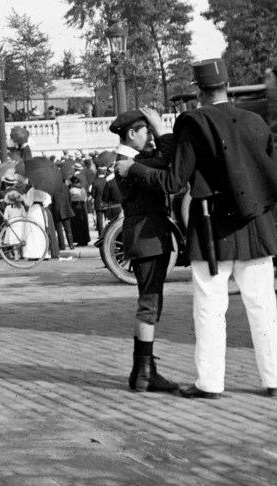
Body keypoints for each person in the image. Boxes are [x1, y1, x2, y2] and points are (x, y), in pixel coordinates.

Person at [117, 58, 277, 399]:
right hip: (256, 227)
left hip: (212, 229)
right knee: (263, 306)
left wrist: (133, 169)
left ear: (198, 90)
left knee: (210, 309)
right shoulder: (256, 121)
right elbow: (270, 174)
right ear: (227, 86)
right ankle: (276, 380)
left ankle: (210, 383)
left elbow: (172, 182)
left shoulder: (193, 123)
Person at [109, 107, 179, 393]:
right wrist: (162, 128)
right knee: (149, 304)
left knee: (150, 302)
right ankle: (145, 374)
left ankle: (142, 371)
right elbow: (170, 159)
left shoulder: (130, 159)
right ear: (131, 133)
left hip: (144, 237)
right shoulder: (131, 161)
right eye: (146, 131)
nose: (149, 137)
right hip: (148, 238)